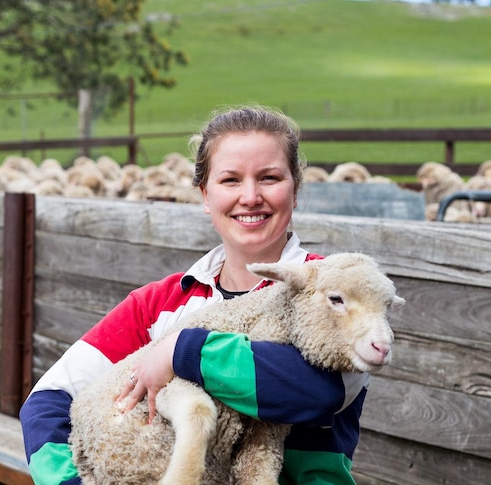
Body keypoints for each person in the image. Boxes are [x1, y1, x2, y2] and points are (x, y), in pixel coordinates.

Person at [19, 105, 370, 485]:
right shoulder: (158, 304)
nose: (250, 196)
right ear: (205, 195)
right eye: (230, 180)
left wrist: (180, 352)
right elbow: (47, 400)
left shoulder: (334, 291)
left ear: (295, 189)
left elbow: (316, 392)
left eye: (269, 178)